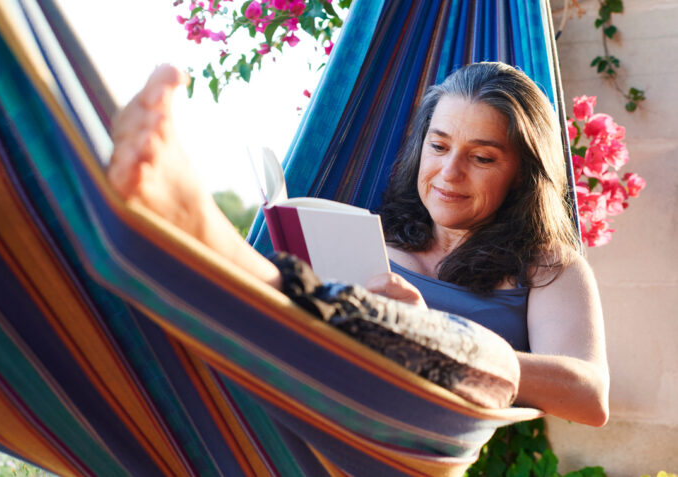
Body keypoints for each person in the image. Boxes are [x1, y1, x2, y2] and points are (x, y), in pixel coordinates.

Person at [107, 62, 609, 426]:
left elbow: (589, 395)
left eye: (481, 157)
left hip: (418, 442)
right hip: (315, 410)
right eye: (438, 146)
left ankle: (197, 221)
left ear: (523, 174)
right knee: (291, 299)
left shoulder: (548, 266)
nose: (448, 173)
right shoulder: (372, 236)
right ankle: (186, 230)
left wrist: (431, 338)